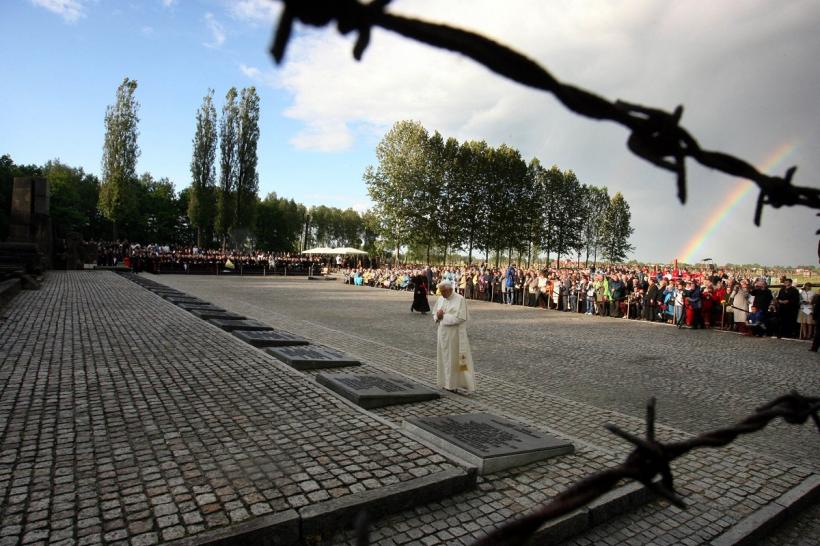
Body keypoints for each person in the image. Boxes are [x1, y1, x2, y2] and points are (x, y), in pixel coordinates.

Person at [433, 279, 476, 393]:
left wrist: (443, 317)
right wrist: (437, 316)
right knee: (444, 358)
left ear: (450, 290)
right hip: (442, 334)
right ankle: (445, 382)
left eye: (443, 292)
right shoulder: (441, 298)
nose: (441, 294)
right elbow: (435, 314)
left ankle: (454, 384)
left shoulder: (460, 299)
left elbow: (461, 318)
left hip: (454, 335)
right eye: (440, 292)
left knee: (454, 359)